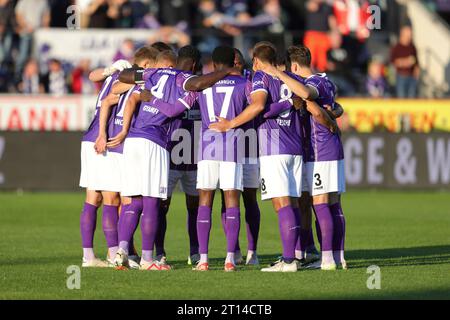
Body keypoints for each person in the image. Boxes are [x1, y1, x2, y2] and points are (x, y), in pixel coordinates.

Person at [111, 45, 236, 271]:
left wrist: (140, 81)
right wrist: (227, 71)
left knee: (135, 199)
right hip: (154, 142)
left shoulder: (153, 73)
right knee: (151, 201)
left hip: (133, 140)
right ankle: (148, 260)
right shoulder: (184, 79)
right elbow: (194, 87)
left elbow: (123, 75)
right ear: (195, 65)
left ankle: (122, 250)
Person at [210, 42, 303, 272]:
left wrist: (230, 123)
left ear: (257, 61)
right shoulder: (292, 78)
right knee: (291, 203)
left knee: (281, 204)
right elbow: (303, 99)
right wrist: (288, 102)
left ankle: (289, 260)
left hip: (273, 146)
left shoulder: (260, 77)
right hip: (296, 146)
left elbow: (259, 106)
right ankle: (293, 256)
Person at [263, 45, 347, 270]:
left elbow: (311, 102)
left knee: (321, 205)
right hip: (326, 149)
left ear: (296, 66)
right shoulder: (326, 80)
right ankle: (334, 256)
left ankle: (328, 259)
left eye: (291, 70)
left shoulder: (312, 84)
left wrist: (278, 73)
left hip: (320, 149)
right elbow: (333, 107)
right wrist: (336, 112)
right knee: (330, 203)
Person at [78, 56, 133, 268]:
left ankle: (88, 256)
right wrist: (103, 134)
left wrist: (110, 69)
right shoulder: (128, 80)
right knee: (111, 199)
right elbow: (107, 101)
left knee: (93, 198)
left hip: (90, 139)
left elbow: (92, 75)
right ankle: (112, 255)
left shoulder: (112, 75)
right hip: (104, 140)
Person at [390, 25, 420, 98]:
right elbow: (393, 62)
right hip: (401, 76)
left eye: (410, 34)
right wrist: (405, 62)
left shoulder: (412, 47)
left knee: (411, 97)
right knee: (401, 97)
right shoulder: (396, 47)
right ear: (402, 34)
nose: (410, 36)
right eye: (408, 34)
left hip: (411, 77)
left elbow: (416, 62)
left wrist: (416, 72)